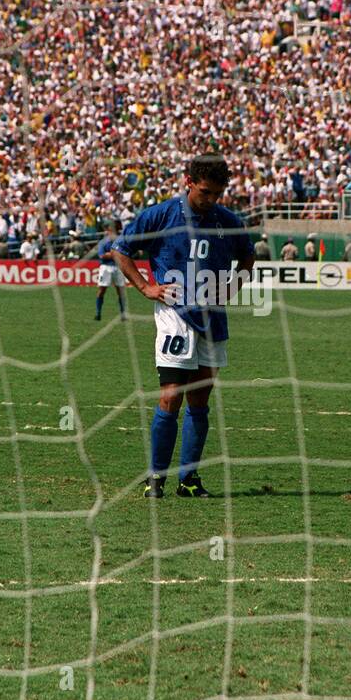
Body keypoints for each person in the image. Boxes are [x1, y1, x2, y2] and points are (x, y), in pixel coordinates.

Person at [110, 154, 255, 499]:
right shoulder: (161, 214)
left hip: (213, 318)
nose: (211, 200)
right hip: (175, 315)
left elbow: (248, 255)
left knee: (200, 400)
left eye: (217, 194)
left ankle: (189, 479)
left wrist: (234, 285)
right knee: (170, 396)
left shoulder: (227, 220)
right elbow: (120, 249)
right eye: (205, 192)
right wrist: (145, 286)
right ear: (188, 182)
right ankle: (155, 477)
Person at [94, 221, 127, 320]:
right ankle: (98, 313)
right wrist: (115, 254)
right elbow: (102, 255)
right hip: (106, 267)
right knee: (101, 290)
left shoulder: (120, 240)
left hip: (118, 267)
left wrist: (111, 254)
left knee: (120, 291)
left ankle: (123, 314)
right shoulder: (103, 242)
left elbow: (124, 253)